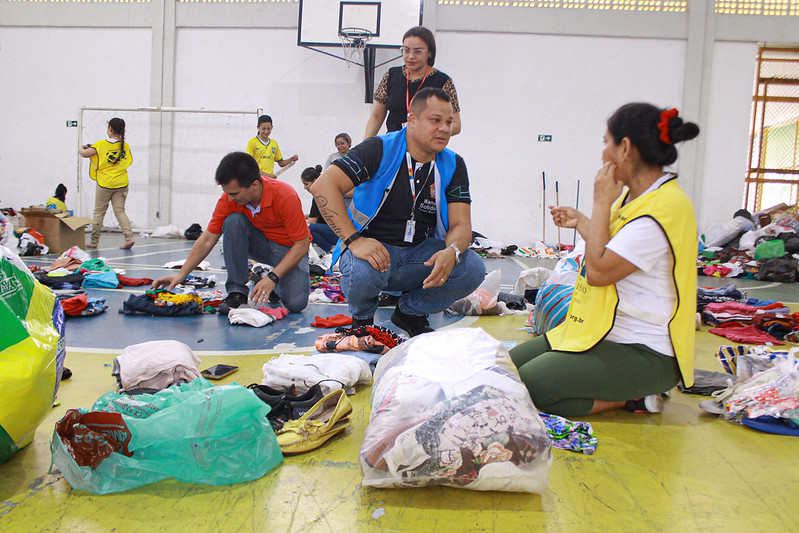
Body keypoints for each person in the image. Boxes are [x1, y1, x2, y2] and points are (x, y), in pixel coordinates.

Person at [510, 103, 701, 417]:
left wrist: (600, 203)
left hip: (645, 351)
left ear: (624, 148)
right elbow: (612, 250)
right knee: (506, 370)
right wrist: (584, 221)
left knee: (529, 387)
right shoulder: (635, 197)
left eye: (605, 143)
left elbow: (599, 271)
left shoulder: (663, 209)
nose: (602, 154)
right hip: (601, 331)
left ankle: (633, 399)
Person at [311, 87, 484, 337]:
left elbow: (461, 225)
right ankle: (362, 320)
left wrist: (452, 251)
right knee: (361, 267)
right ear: (412, 121)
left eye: (448, 122)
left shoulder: (454, 164)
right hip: (374, 248)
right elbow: (323, 186)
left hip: (419, 254)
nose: (445, 128)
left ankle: (410, 313)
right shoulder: (379, 148)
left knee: (472, 267)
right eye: (435, 120)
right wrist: (354, 240)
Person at [152, 152, 310, 315]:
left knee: (295, 304)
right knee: (233, 221)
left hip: (288, 249)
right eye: (227, 193)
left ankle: (273, 285)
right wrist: (181, 274)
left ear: (254, 185)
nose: (230, 198)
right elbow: (207, 239)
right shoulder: (229, 199)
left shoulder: (285, 195)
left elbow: (302, 245)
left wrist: (273, 278)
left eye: (235, 193)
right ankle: (238, 292)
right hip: (261, 246)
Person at [364, 26, 461, 139]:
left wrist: (427, 130)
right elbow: (376, 116)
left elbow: (456, 125)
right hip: (395, 143)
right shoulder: (391, 75)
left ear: (429, 52)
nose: (410, 56)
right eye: (406, 50)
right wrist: (364, 147)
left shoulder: (443, 81)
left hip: (426, 147)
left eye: (417, 51)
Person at [78, 117, 134, 249]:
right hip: (121, 183)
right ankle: (129, 237)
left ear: (110, 129)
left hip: (105, 183)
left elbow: (85, 154)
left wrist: (81, 147)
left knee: (99, 212)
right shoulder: (125, 146)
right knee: (120, 211)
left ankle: (94, 240)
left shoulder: (100, 145)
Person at [301, 165, 339, 253]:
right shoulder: (326, 191)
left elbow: (311, 222)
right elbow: (318, 215)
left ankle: (331, 250)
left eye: (306, 184)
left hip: (337, 232)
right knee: (310, 232)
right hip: (334, 231)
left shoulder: (320, 196)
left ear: (315, 181)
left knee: (306, 228)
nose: (304, 187)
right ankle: (330, 250)